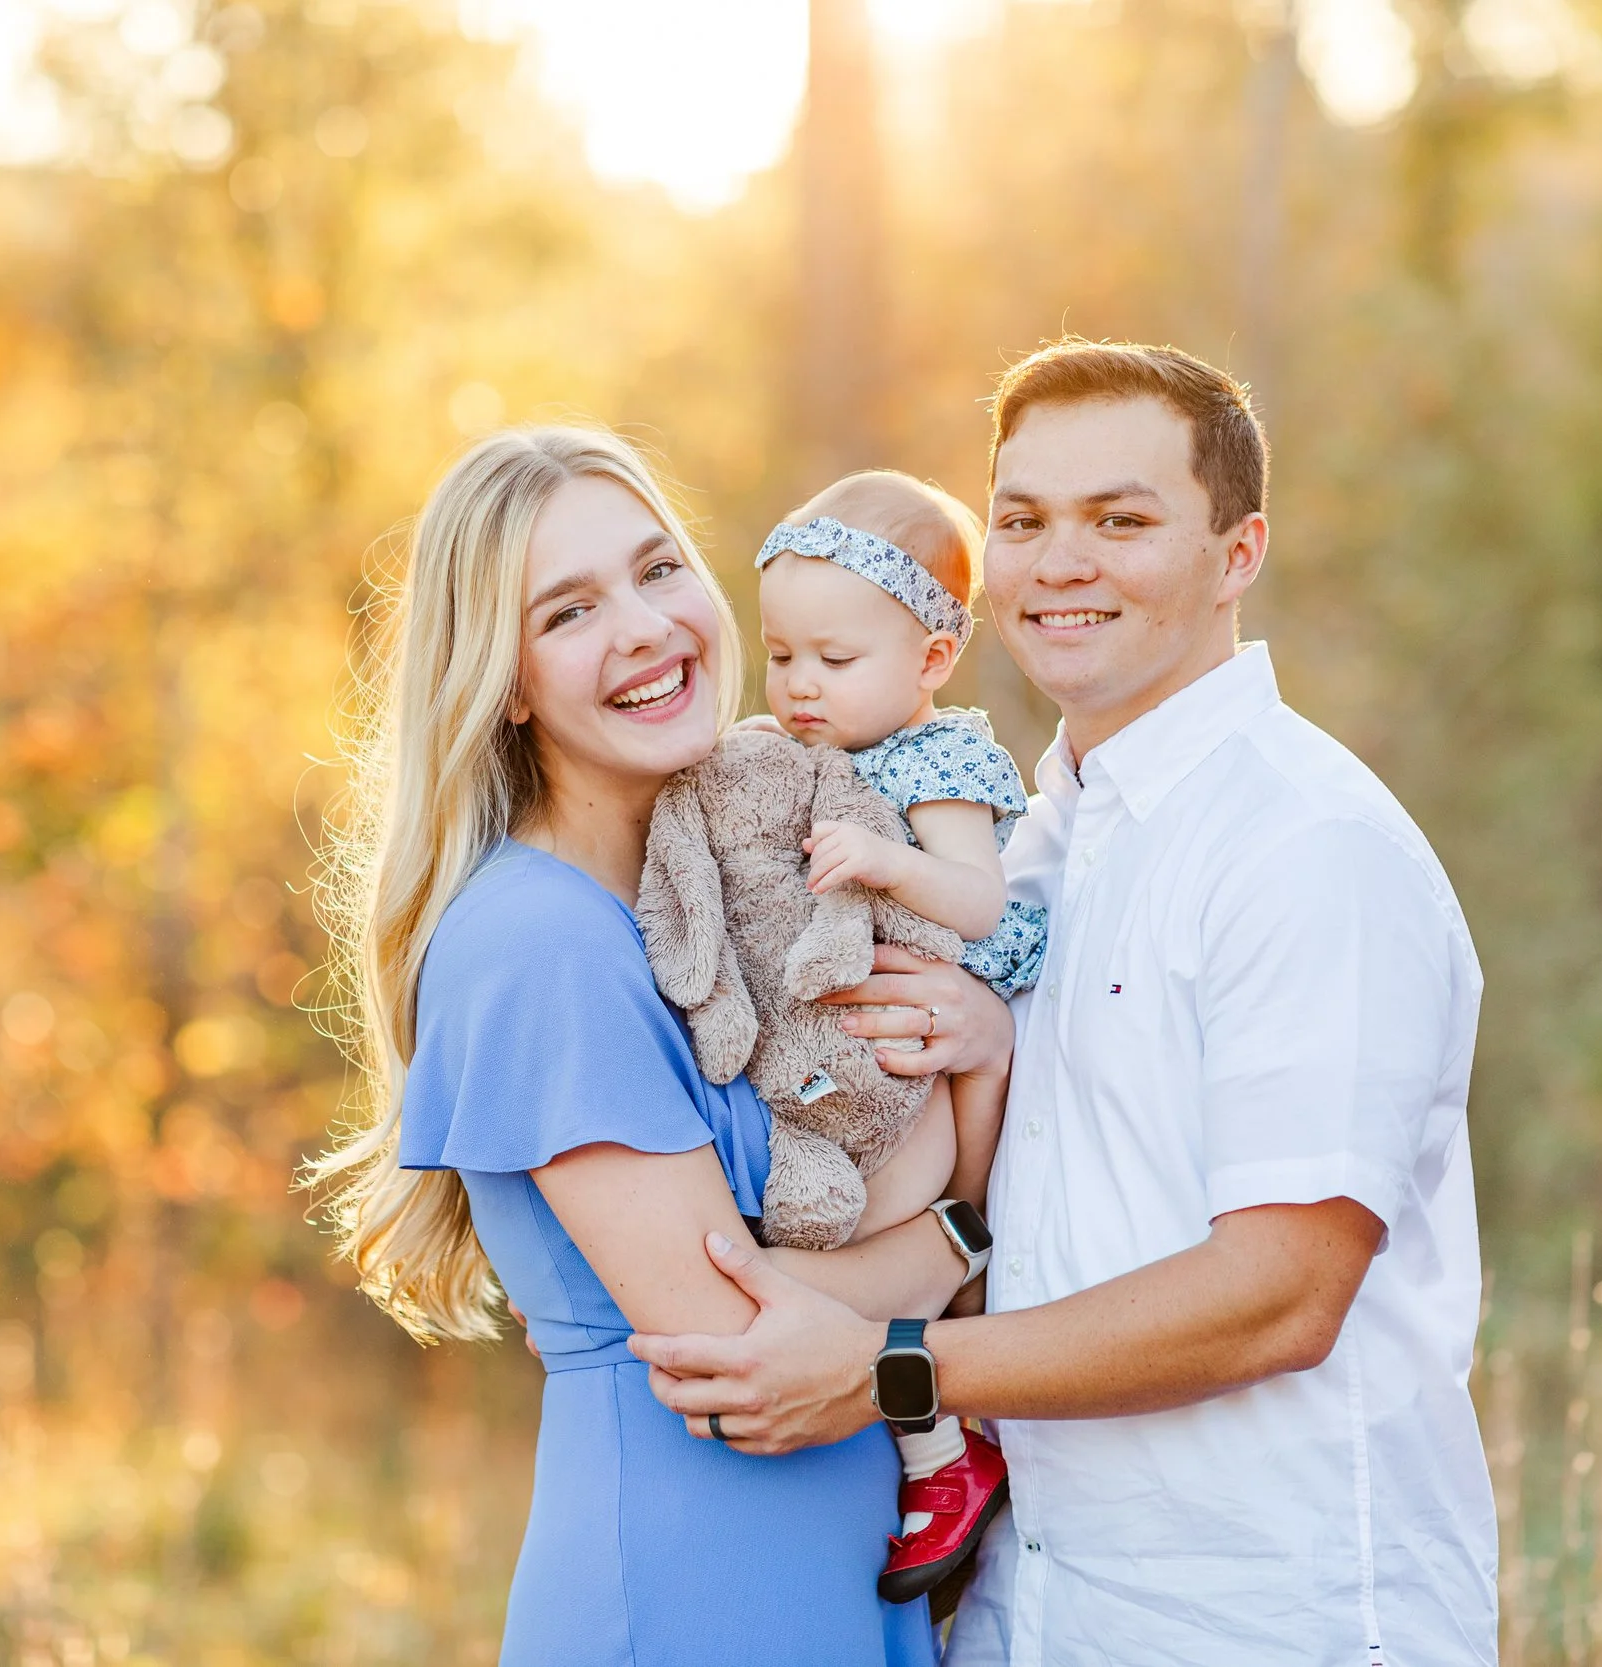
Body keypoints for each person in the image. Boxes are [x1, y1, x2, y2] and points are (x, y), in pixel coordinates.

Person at [629, 340, 1500, 1665]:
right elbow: (985, 1196)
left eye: (1124, 519)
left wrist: (889, 1363)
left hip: (1273, 1620)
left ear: (1240, 551)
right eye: (1025, 520)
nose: (1061, 561)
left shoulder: (1307, 845)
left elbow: (1281, 1292)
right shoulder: (1023, 849)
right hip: (1032, 1614)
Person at [306, 426, 1015, 1667]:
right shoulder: (539, 939)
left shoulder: (741, 878)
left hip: (842, 1554)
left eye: (656, 569)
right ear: (506, 678)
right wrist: (962, 1229)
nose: (642, 626)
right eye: (569, 609)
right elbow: (733, 1341)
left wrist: (985, 1046)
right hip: (697, 1580)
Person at [752, 469, 1046, 1598]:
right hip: (846, 1036)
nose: (801, 686)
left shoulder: (938, 760)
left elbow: (975, 902)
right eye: (782, 656)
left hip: (931, 1037)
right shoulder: (791, 755)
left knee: (895, 1226)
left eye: (835, 660)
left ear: (930, 657)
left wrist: (882, 858)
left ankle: (945, 1444)